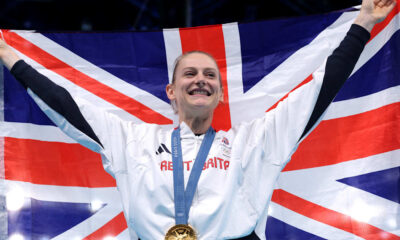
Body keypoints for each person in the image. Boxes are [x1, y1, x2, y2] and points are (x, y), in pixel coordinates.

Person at [0, 0, 396, 239]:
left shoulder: (253, 142)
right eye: (189, 73)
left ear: (220, 94)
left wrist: (361, 25)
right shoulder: (132, 140)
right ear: (170, 92)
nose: (201, 80)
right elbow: (65, 104)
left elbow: (318, 91)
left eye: (210, 76)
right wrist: (8, 56)